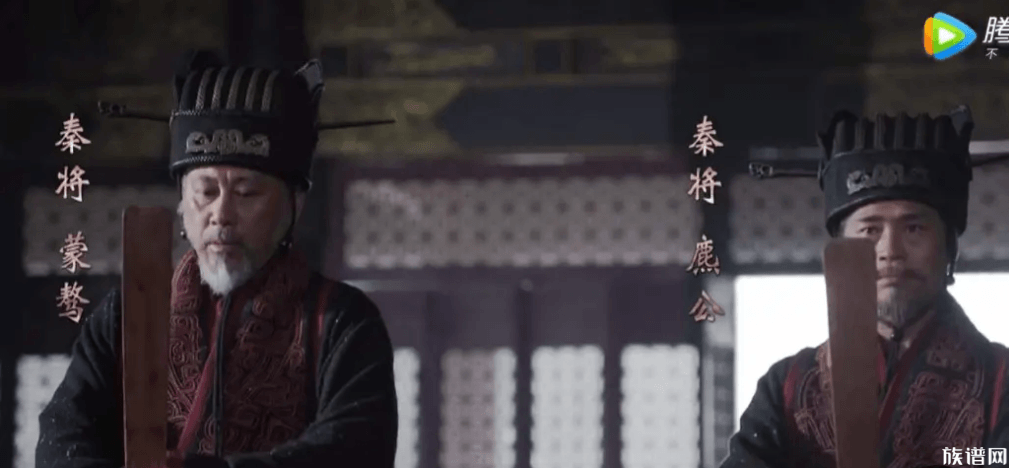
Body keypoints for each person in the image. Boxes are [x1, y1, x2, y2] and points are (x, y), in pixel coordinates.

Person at [36, 55, 398, 468]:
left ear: (294, 204)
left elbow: (355, 448)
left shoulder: (341, 321)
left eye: (246, 193)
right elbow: (62, 439)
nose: (221, 214)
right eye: (205, 192)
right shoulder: (126, 316)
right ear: (181, 203)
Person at [721, 107, 1009, 468]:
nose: (890, 251)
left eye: (914, 228)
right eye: (870, 230)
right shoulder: (788, 387)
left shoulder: (1000, 380)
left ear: (949, 247)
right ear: (840, 252)